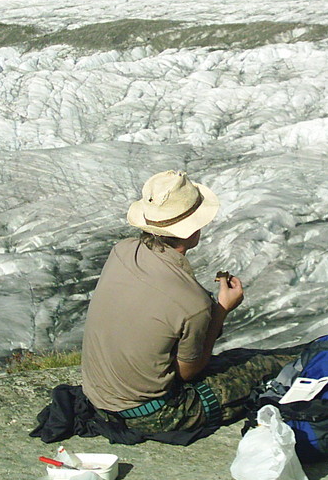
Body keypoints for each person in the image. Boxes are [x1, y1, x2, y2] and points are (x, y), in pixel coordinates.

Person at [81, 170, 299, 436]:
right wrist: (221, 310)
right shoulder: (191, 303)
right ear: (192, 228)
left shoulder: (123, 250)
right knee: (265, 369)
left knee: (239, 358)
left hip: (98, 396)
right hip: (149, 413)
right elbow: (188, 373)